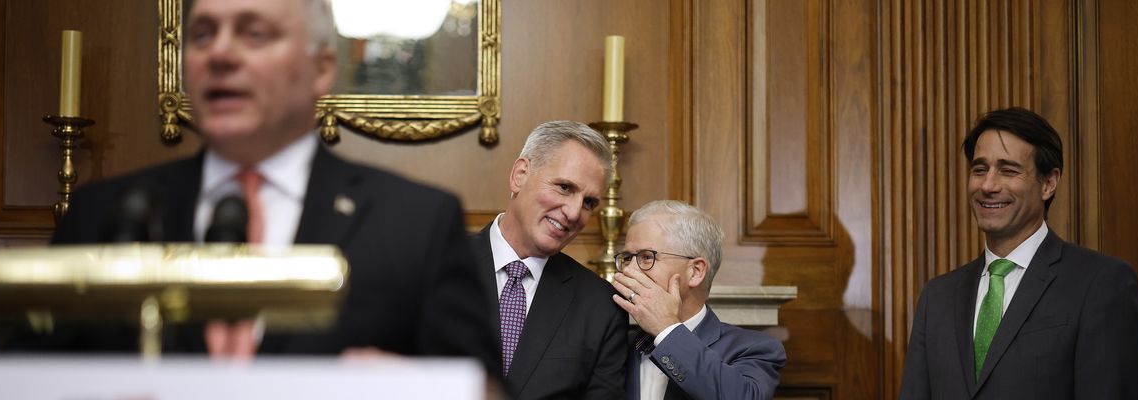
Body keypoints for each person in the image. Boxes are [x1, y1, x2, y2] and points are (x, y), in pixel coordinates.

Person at [40, 0, 500, 374]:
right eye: (202, 34)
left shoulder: (416, 222)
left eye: (254, 33)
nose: (220, 54)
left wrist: (418, 390)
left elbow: (480, 388)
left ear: (321, 69)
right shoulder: (102, 213)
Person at [898, 107, 1138, 399]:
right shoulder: (937, 297)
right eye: (980, 169)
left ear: (1048, 183)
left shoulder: (1103, 284)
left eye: (1008, 170)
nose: (988, 185)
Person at [468, 121, 628, 399]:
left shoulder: (600, 307)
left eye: (589, 202)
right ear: (520, 175)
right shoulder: (432, 266)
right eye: (565, 187)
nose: (575, 212)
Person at [611, 200, 785, 400]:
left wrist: (666, 329)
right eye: (626, 257)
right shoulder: (615, 342)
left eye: (646, 257)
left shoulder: (756, 348)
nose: (629, 270)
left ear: (695, 271)